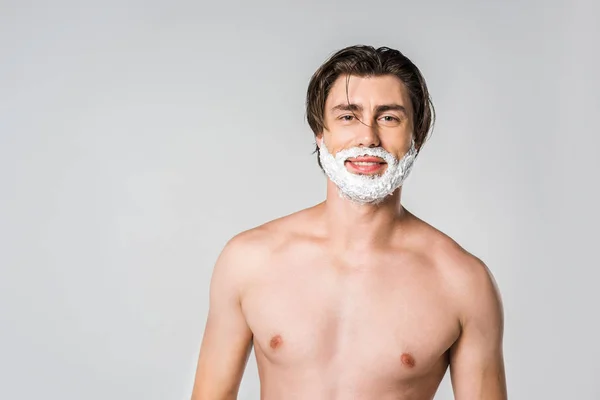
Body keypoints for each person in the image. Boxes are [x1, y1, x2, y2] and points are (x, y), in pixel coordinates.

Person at [190, 45, 507, 400]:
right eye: (347, 116)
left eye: (389, 118)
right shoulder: (249, 260)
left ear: (415, 135)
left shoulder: (463, 282)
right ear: (320, 133)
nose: (368, 137)